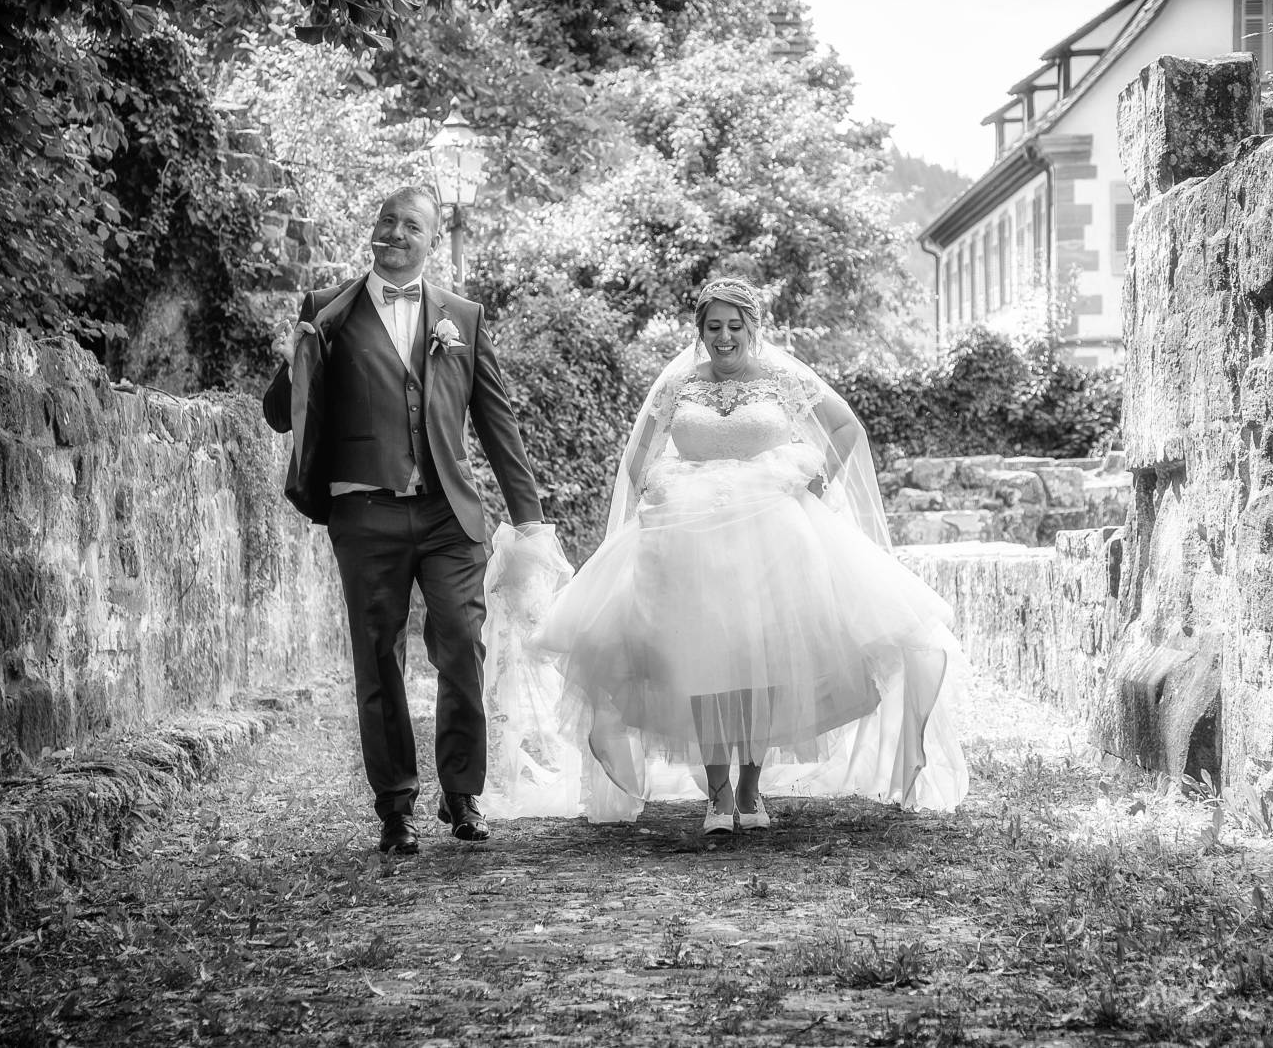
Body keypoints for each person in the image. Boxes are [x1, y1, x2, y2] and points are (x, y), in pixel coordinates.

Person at [493, 277, 967, 831]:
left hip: (770, 539)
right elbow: (638, 454)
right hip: (687, 539)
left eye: (734, 327)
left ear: (752, 328)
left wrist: (818, 480)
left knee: (758, 658)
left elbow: (844, 427)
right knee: (701, 661)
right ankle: (717, 794)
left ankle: (750, 788)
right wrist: (650, 491)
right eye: (713, 327)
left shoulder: (781, 376)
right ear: (699, 333)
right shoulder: (679, 385)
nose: (724, 338)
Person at [262, 184, 544, 853]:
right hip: (365, 513)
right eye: (386, 220)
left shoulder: (463, 318)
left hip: (450, 514)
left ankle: (463, 794)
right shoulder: (327, 309)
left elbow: (496, 422)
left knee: (460, 646)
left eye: (409, 225)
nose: (393, 232)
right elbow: (280, 414)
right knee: (378, 659)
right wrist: (296, 354)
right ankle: (395, 806)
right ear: (373, 229)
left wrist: (529, 517)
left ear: (429, 239)